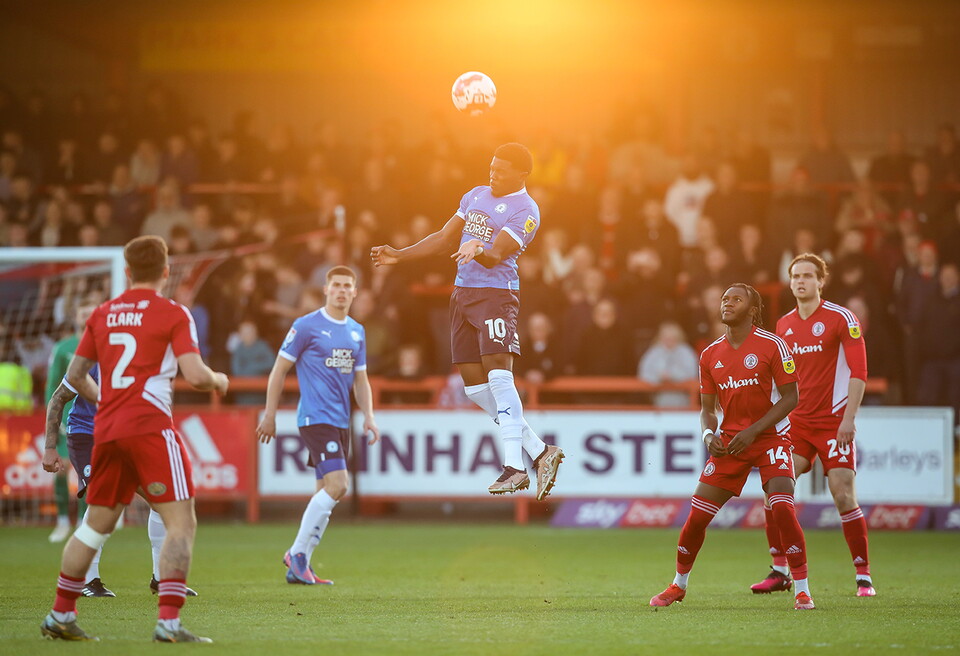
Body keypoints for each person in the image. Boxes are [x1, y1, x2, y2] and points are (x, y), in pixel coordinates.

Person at [39, 236, 229, 643]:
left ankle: (60, 614)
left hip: (106, 431)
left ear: (126, 272)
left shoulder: (104, 314)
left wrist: (106, 400)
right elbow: (195, 375)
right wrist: (219, 379)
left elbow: (74, 378)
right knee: (182, 522)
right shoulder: (173, 313)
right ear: (165, 272)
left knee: (94, 527)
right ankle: (169, 623)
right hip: (150, 428)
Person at [370, 143, 564, 499]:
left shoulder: (526, 210)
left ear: (521, 175)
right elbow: (445, 239)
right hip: (462, 295)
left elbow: (498, 252)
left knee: (499, 376)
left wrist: (478, 249)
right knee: (475, 388)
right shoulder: (474, 195)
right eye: (491, 166)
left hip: (495, 296)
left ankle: (515, 467)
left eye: (501, 170)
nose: (493, 173)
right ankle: (539, 451)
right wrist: (400, 255)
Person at [650, 283, 815, 611]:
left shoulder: (773, 345)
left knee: (782, 507)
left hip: (771, 439)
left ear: (752, 309)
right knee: (696, 518)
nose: (727, 303)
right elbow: (707, 409)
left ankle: (802, 589)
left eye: (735, 299)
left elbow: (791, 397)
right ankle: (678, 585)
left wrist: (754, 432)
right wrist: (708, 436)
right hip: (731, 442)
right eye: (724, 299)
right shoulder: (710, 354)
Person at [43, 300, 200, 599]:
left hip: (124, 434)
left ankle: (161, 578)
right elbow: (58, 399)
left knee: (158, 501)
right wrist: (50, 447)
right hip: (87, 435)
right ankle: (88, 582)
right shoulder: (91, 359)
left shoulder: (140, 358)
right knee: (100, 503)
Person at [751, 253, 874, 597]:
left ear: (821, 281)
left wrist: (849, 419)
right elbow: (782, 380)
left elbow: (859, 373)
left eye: (808, 275)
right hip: (798, 425)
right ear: (790, 283)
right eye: (795, 276)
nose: (801, 281)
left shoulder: (841, 318)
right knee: (774, 490)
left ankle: (863, 574)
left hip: (834, 421)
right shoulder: (784, 325)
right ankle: (779, 571)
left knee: (843, 494)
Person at [256, 266, 380, 585]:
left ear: (354, 293)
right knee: (339, 486)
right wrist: (269, 414)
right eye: (335, 285)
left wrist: (368, 415)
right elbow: (279, 370)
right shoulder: (306, 326)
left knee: (324, 493)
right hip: (314, 417)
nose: (341, 290)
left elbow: (361, 379)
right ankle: (296, 553)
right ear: (325, 289)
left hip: (340, 421)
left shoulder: (356, 331)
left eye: (347, 286)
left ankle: (301, 567)